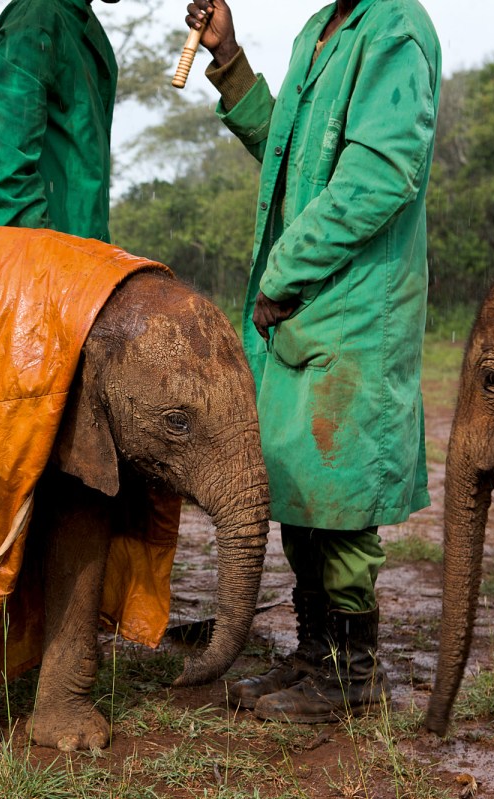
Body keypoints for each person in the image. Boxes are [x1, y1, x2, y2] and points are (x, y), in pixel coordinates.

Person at [185, 0, 440, 721]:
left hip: (355, 303)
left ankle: (354, 676)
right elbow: (289, 150)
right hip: (304, 303)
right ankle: (315, 653)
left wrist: (282, 270)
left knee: (342, 495)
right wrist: (228, 59)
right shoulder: (317, 31)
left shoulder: (395, 30)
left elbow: (379, 177)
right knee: (296, 481)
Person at [0, 0, 119, 241]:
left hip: (76, 257)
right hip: (14, 260)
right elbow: (3, 160)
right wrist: (46, 258)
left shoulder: (80, 23)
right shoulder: (37, 16)